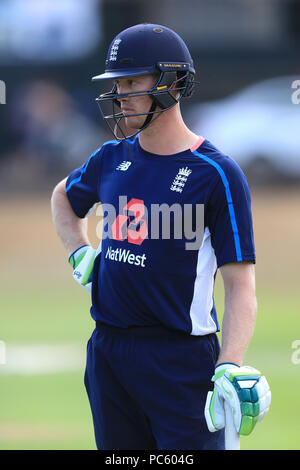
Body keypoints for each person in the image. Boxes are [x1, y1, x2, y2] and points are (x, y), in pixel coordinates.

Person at [51, 23, 271, 450]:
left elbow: (241, 286)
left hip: (181, 361)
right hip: (108, 352)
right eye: (117, 83)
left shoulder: (218, 174)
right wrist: (79, 250)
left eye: (132, 81)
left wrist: (229, 365)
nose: (119, 94)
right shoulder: (110, 158)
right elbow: (63, 196)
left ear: (172, 83)